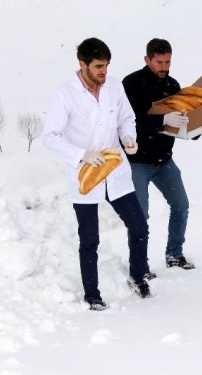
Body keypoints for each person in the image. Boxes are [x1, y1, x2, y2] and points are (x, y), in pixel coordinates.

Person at [42, 37, 152, 311]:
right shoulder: (63, 95)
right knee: (89, 239)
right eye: (99, 66)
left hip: (115, 170)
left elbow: (127, 118)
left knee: (139, 227)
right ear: (83, 65)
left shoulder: (114, 86)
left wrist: (128, 137)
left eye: (107, 66)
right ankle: (92, 294)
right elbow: (50, 137)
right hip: (85, 174)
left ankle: (138, 278)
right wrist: (81, 155)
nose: (104, 71)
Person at [122, 38, 202, 270]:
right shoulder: (131, 83)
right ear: (147, 59)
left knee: (181, 205)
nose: (164, 67)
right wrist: (160, 120)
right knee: (140, 217)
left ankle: (174, 254)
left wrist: (200, 128)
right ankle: (140, 266)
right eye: (160, 62)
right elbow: (127, 121)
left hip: (164, 160)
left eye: (168, 62)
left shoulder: (172, 86)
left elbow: (181, 126)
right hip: (137, 161)